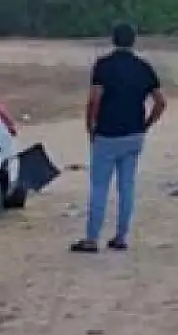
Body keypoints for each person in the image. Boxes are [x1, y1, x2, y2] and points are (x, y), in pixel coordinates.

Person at [72, 23, 167, 254]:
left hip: (107, 133)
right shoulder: (143, 67)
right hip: (133, 133)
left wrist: (90, 125)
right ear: (133, 41)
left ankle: (92, 238)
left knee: (99, 186)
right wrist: (146, 125)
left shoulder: (104, 66)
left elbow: (95, 99)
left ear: (113, 40)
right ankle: (121, 236)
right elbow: (161, 102)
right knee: (127, 186)